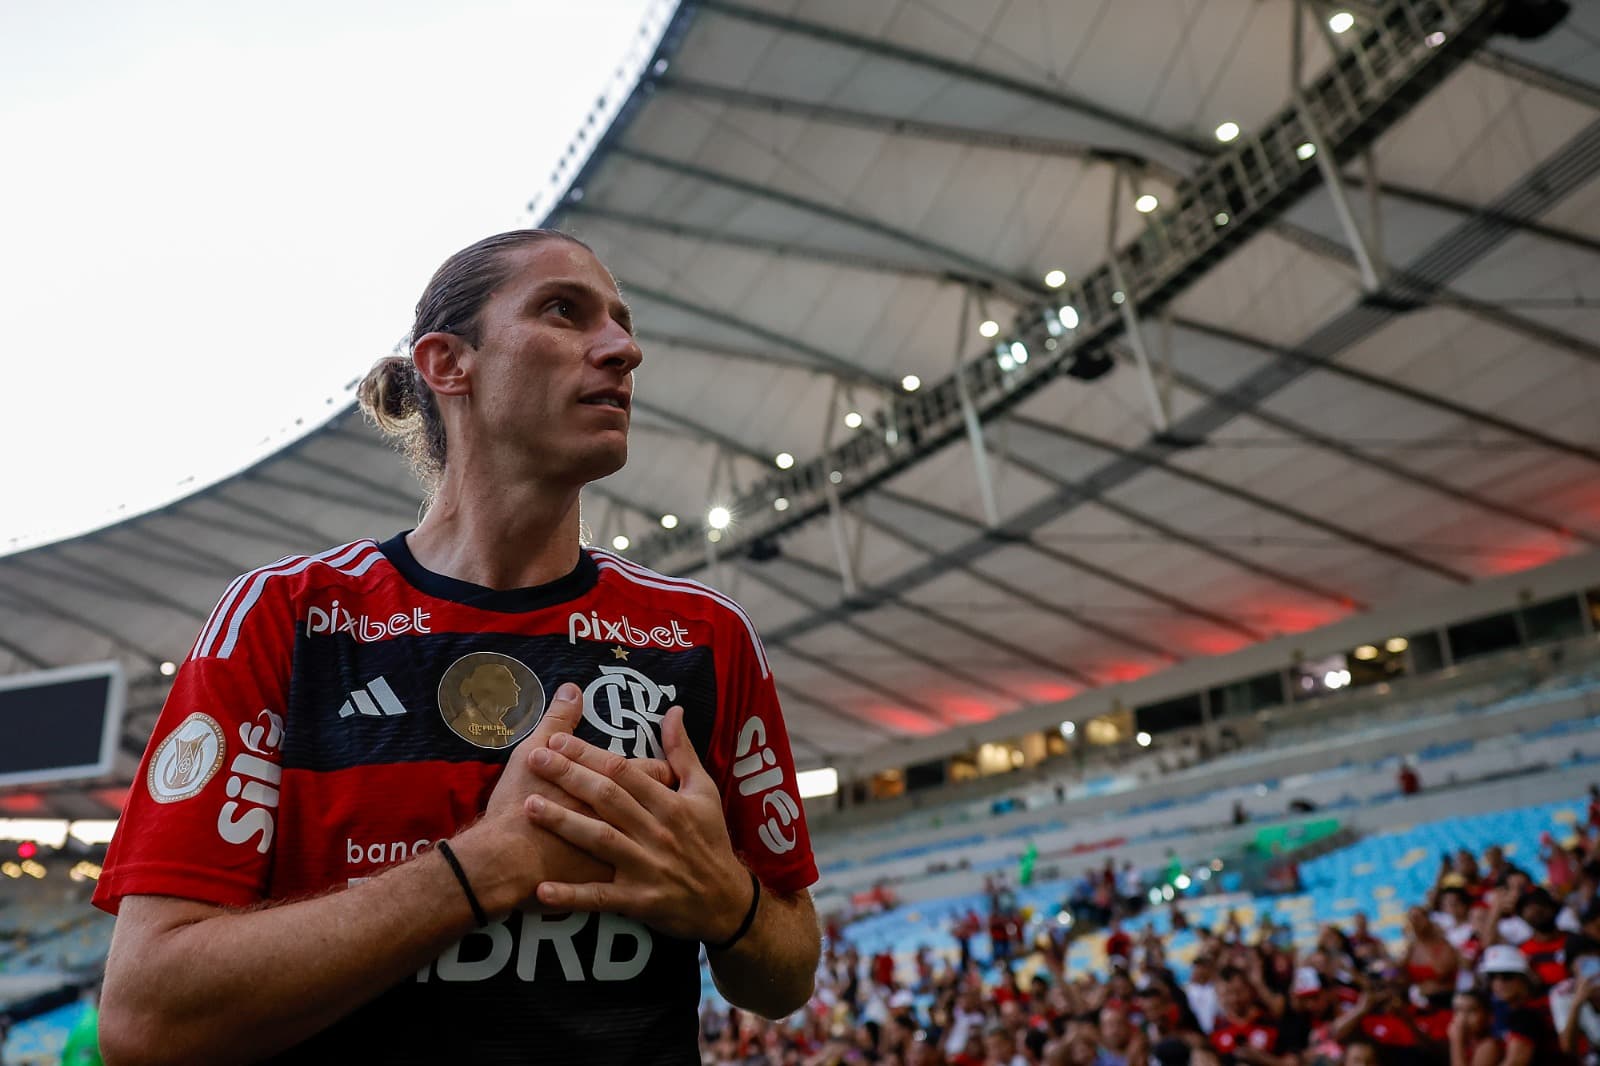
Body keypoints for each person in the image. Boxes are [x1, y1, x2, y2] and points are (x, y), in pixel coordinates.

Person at [92, 229, 821, 1063]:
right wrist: (481, 869)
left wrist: (728, 903)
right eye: (563, 312)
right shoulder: (288, 617)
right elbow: (147, 1019)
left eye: (620, 324)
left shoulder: (701, 635)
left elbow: (786, 973)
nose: (624, 350)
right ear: (447, 363)